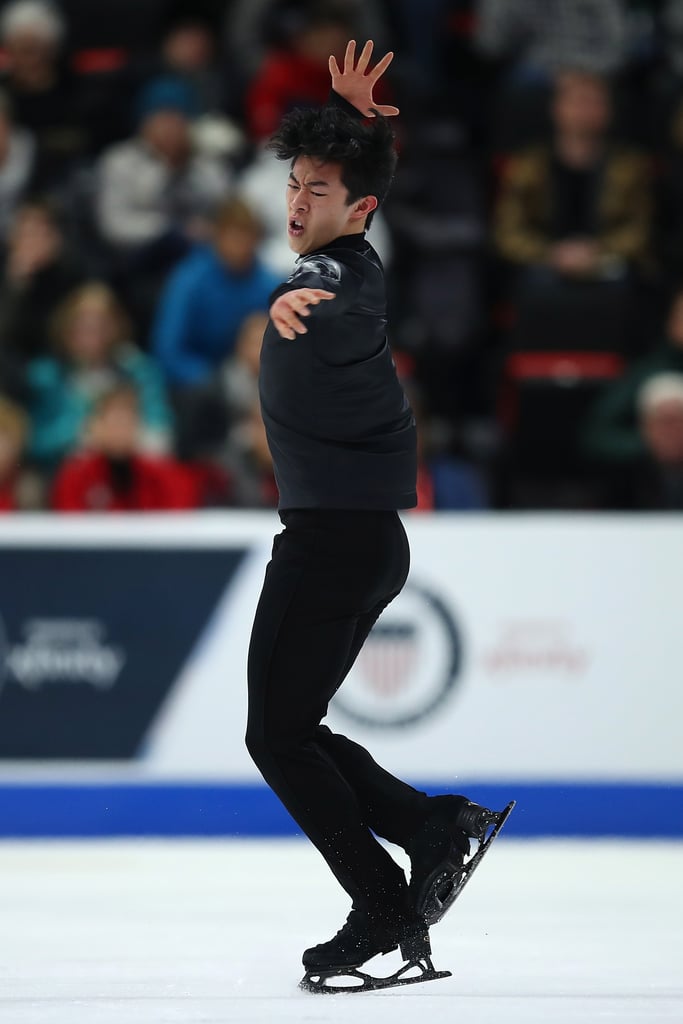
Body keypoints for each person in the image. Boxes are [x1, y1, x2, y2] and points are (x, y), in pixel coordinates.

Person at [245, 40, 505, 988]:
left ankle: (381, 898)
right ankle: (429, 825)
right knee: (292, 729)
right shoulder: (341, 260)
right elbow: (335, 248)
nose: (297, 202)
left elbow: (333, 294)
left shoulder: (341, 279)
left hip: (333, 544)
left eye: (321, 189)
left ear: (359, 211)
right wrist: (355, 124)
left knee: (276, 735)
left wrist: (293, 294)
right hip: (352, 540)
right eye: (296, 185)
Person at [27, 282, 172, 470]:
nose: (92, 336)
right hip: (64, 469)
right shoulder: (46, 376)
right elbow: (36, 443)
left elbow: (159, 424)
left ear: (116, 327)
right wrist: (82, 433)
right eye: (83, 328)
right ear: (66, 328)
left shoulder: (138, 369)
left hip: (131, 464)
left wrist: (125, 436)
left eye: (101, 327)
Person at [51, 381, 197, 513]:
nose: (120, 431)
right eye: (113, 422)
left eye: (127, 422)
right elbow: (70, 527)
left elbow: (179, 519)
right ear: (96, 427)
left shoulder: (163, 476)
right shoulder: (74, 478)